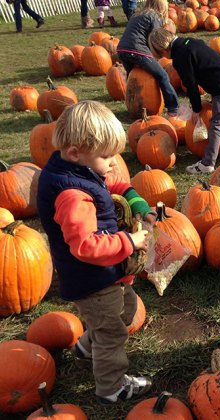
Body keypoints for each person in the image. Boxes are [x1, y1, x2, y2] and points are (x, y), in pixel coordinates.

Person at [37, 101, 155, 404]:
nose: (113, 162)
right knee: (112, 332)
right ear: (76, 152)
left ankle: (86, 346)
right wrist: (130, 242)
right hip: (92, 280)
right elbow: (85, 246)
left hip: (105, 274)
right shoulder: (72, 195)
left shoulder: (76, 170)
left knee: (127, 309)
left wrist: (136, 201)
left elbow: (110, 183)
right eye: (106, 156)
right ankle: (111, 386)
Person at [148, 27, 220, 175]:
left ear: (161, 49)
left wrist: (196, 108)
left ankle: (208, 163)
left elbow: (190, 84)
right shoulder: (190, 41)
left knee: (217, 123)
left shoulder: (180, 57)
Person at [117, 0, 179, 117]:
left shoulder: (137, 15)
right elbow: (156, 39)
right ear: (162, 7)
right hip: (137, 50)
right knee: (162, 75)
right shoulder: (154, 16)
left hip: (122, 50)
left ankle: (136, 108)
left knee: (134, 80)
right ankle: (173, 107)